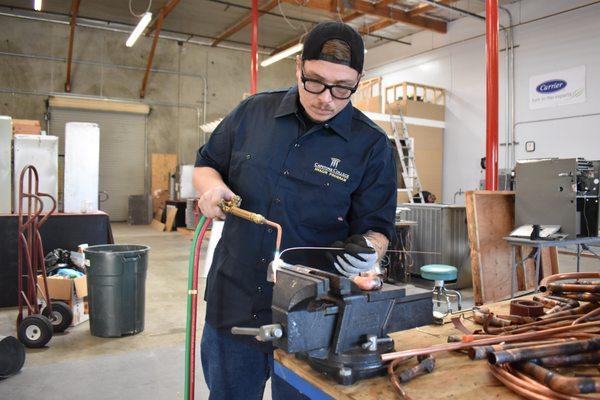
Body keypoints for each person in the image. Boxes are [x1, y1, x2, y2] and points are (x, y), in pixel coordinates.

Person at [193, 21, 397, 400]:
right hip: (233, 302)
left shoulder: (372, 146)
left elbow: (379, 230)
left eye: (342, 88)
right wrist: (213, 188)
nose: (326, 98)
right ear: (298, 67)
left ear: (359, 81)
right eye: (315, 82)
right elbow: (206, 164)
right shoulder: (253, 112)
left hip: (316, 316)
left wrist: (368, 250)